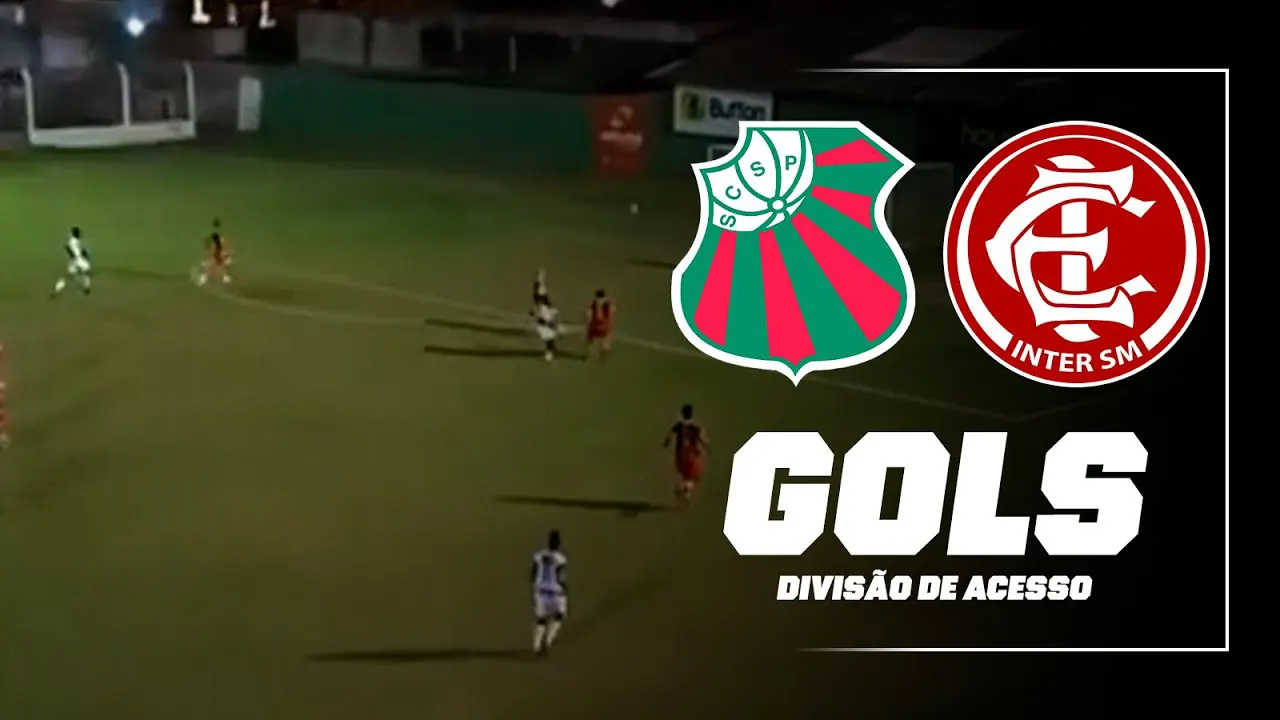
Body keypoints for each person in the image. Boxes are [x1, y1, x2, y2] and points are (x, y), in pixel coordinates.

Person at [531, 529, 568, 657]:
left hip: (541, 591)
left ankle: (536, 646)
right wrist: (564, 589)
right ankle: (547, 641)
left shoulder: (538, 556)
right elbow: (561, 577)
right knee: (559, 616)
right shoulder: (561, 559)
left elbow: (533, 574)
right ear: (558, 543)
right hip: (555, 592)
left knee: (541, 619)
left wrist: (536, 586)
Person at [664, 404, 710, 506]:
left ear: (682, 414)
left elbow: (670, 434)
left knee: (685, 475)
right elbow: (701, 438)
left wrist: (666, 443)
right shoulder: (695, 427)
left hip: (680, 455)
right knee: (693, 477)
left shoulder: (679, 425)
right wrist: (707, 447)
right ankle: (682, 490)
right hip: (692, 455)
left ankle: (684, 493)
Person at [52, 227, 91, 297]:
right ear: (76, 233)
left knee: (68, 277)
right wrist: (73, 255)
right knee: (86, 272)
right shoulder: (73, 240)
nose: (79, 234)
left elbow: (73, 248)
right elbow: (68, 248)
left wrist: (84, 253)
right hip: (78, 260)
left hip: (74, 261)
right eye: (78, 233)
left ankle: (56, 290)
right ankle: (86, 288)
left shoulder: (74, 240)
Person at [197, 218, 232, 286]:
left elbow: (214, 246)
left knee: (221, 264)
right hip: (217, 253)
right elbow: (213, 247)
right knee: (215, 264)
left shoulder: (218, 239)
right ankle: (204, 278)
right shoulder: (216, 240)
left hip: (218, 252)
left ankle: (224, 277)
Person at [585, 289, 615, 360]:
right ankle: (605, 348)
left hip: (595, 325)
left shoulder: (593, 304)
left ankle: (589, 352)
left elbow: (589, 315)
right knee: (606, 338)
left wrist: (588, 324)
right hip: (605, 326)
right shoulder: (609, 304)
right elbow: (612, 313)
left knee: (590, 338)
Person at [532, 295, 560, 362]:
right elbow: (540, 318)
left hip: (547, 326)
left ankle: (549, 352)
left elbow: (554, 314)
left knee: (550, 339)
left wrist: (552, 322)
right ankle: (549, 353)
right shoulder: (540, 308)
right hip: (543, 327)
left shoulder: (546, 308)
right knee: (550, 339)